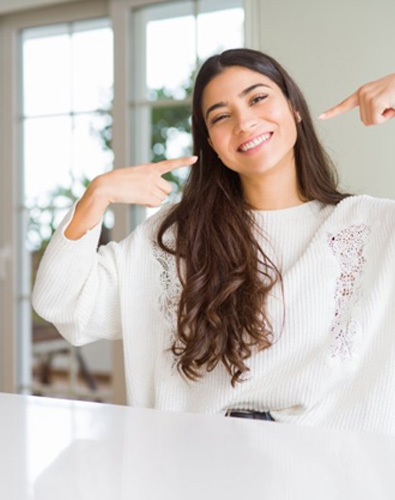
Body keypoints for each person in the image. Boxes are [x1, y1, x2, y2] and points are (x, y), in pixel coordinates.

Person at [32, 48, 395, 435]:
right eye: (221, 116)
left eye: (258, 98)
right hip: (193, 468)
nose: (244, 122)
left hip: (331, 477)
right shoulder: (176, 236)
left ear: (295, 109)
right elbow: (64, 303)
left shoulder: (373, 225)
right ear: (211, 143)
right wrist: (96, 196)